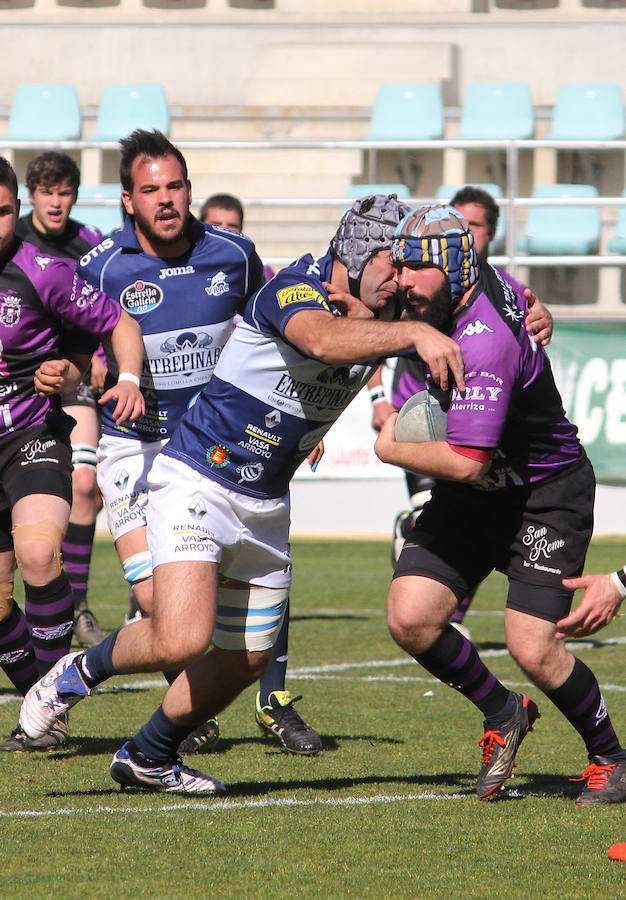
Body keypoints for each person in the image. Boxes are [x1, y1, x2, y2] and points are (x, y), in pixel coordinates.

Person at [19, 193, 466, 794]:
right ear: (359, 252)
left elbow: (478, 308)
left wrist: (529, 309)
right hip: (198, 477)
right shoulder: (295, 288)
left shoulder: (385, 311)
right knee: (181, 635)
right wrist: (414, 332)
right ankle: (72, 673)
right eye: (395, 261)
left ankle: (148, 756)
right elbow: (325, 343)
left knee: (247, 657)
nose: (404, 278)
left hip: (266, 503)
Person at [373, 204, 626, 805]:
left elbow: (466, 461)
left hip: (544, 493)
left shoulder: (484, 341)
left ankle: (611, 758)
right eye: (399, 265)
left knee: (533, 646)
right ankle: (504, 712)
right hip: (477, 496)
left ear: (456, 267)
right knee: (411, 616)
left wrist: (390, 448)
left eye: (416, 268)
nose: (402, 280)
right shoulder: (469, 286)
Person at [73, 129, 274, 756]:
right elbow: (70, 348)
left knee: (218, 610)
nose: (166, 200)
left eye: (175, 186)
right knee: (154, 597)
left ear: (189, 189)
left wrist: (291, 421)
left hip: (210, 455)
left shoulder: (234, 256)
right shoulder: (101, 267)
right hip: (132, 448)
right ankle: (162, 707)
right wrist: (83, 373)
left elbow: (283, 328)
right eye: (150, 190)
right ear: (128, 200)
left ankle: (185, 712)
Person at [0, 155, 145, 752]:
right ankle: (42, 692)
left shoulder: (44, 271)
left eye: (3, 211)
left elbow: (118, 321)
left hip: (31, 437)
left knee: (38, 556)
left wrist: (121, 377)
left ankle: (49, 701)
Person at [367, 186, 554, 638]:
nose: (465, 233)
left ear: (487, 234)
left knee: (471, 510)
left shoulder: (500, 285)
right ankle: (437, 589)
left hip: (477, 427)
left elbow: (525, 316)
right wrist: (379, 400)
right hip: (421, 417)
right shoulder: (411, 287)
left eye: (475, 226)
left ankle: (449, 613)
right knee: (447, 512)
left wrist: (544, 315)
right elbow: (366, 338)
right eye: (460, 223)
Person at [201, 190, 317, 752]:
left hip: (248, 439)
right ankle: (188, 705)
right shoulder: (165, 271)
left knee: (267, 568)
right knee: (177, 590)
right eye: (217, 224)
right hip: (181, 441)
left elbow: (305, 352)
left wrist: (308, 425)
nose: (226, 234)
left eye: (235, 226)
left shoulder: (254, 273)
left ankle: (273, 700)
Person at [15, 151, 108, 648]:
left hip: (71, 377)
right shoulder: (13, 240)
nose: (56, 201)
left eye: (64, 192)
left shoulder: (89, 244)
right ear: (31, 195)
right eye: (47, 192)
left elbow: (106, 307)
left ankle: (80, 604)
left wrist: (97, 353)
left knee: (86, 483)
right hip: (16, 384)